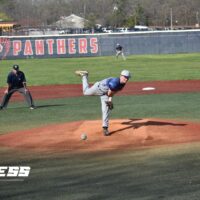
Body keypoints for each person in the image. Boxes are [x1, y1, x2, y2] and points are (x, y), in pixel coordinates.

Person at [75, 69, 131, 136]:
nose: (126, 79)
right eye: (125, 77)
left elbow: (113, 92)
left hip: (105, 93)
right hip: (98, 88)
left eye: (127, 78)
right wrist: (110, 100)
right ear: (121, 76)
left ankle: (105, 128)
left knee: (105, 110)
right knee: (86, 92)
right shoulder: (115, 82)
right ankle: (84, 76)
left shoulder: (122, 84)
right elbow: (110, 93)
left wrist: (109, 100)